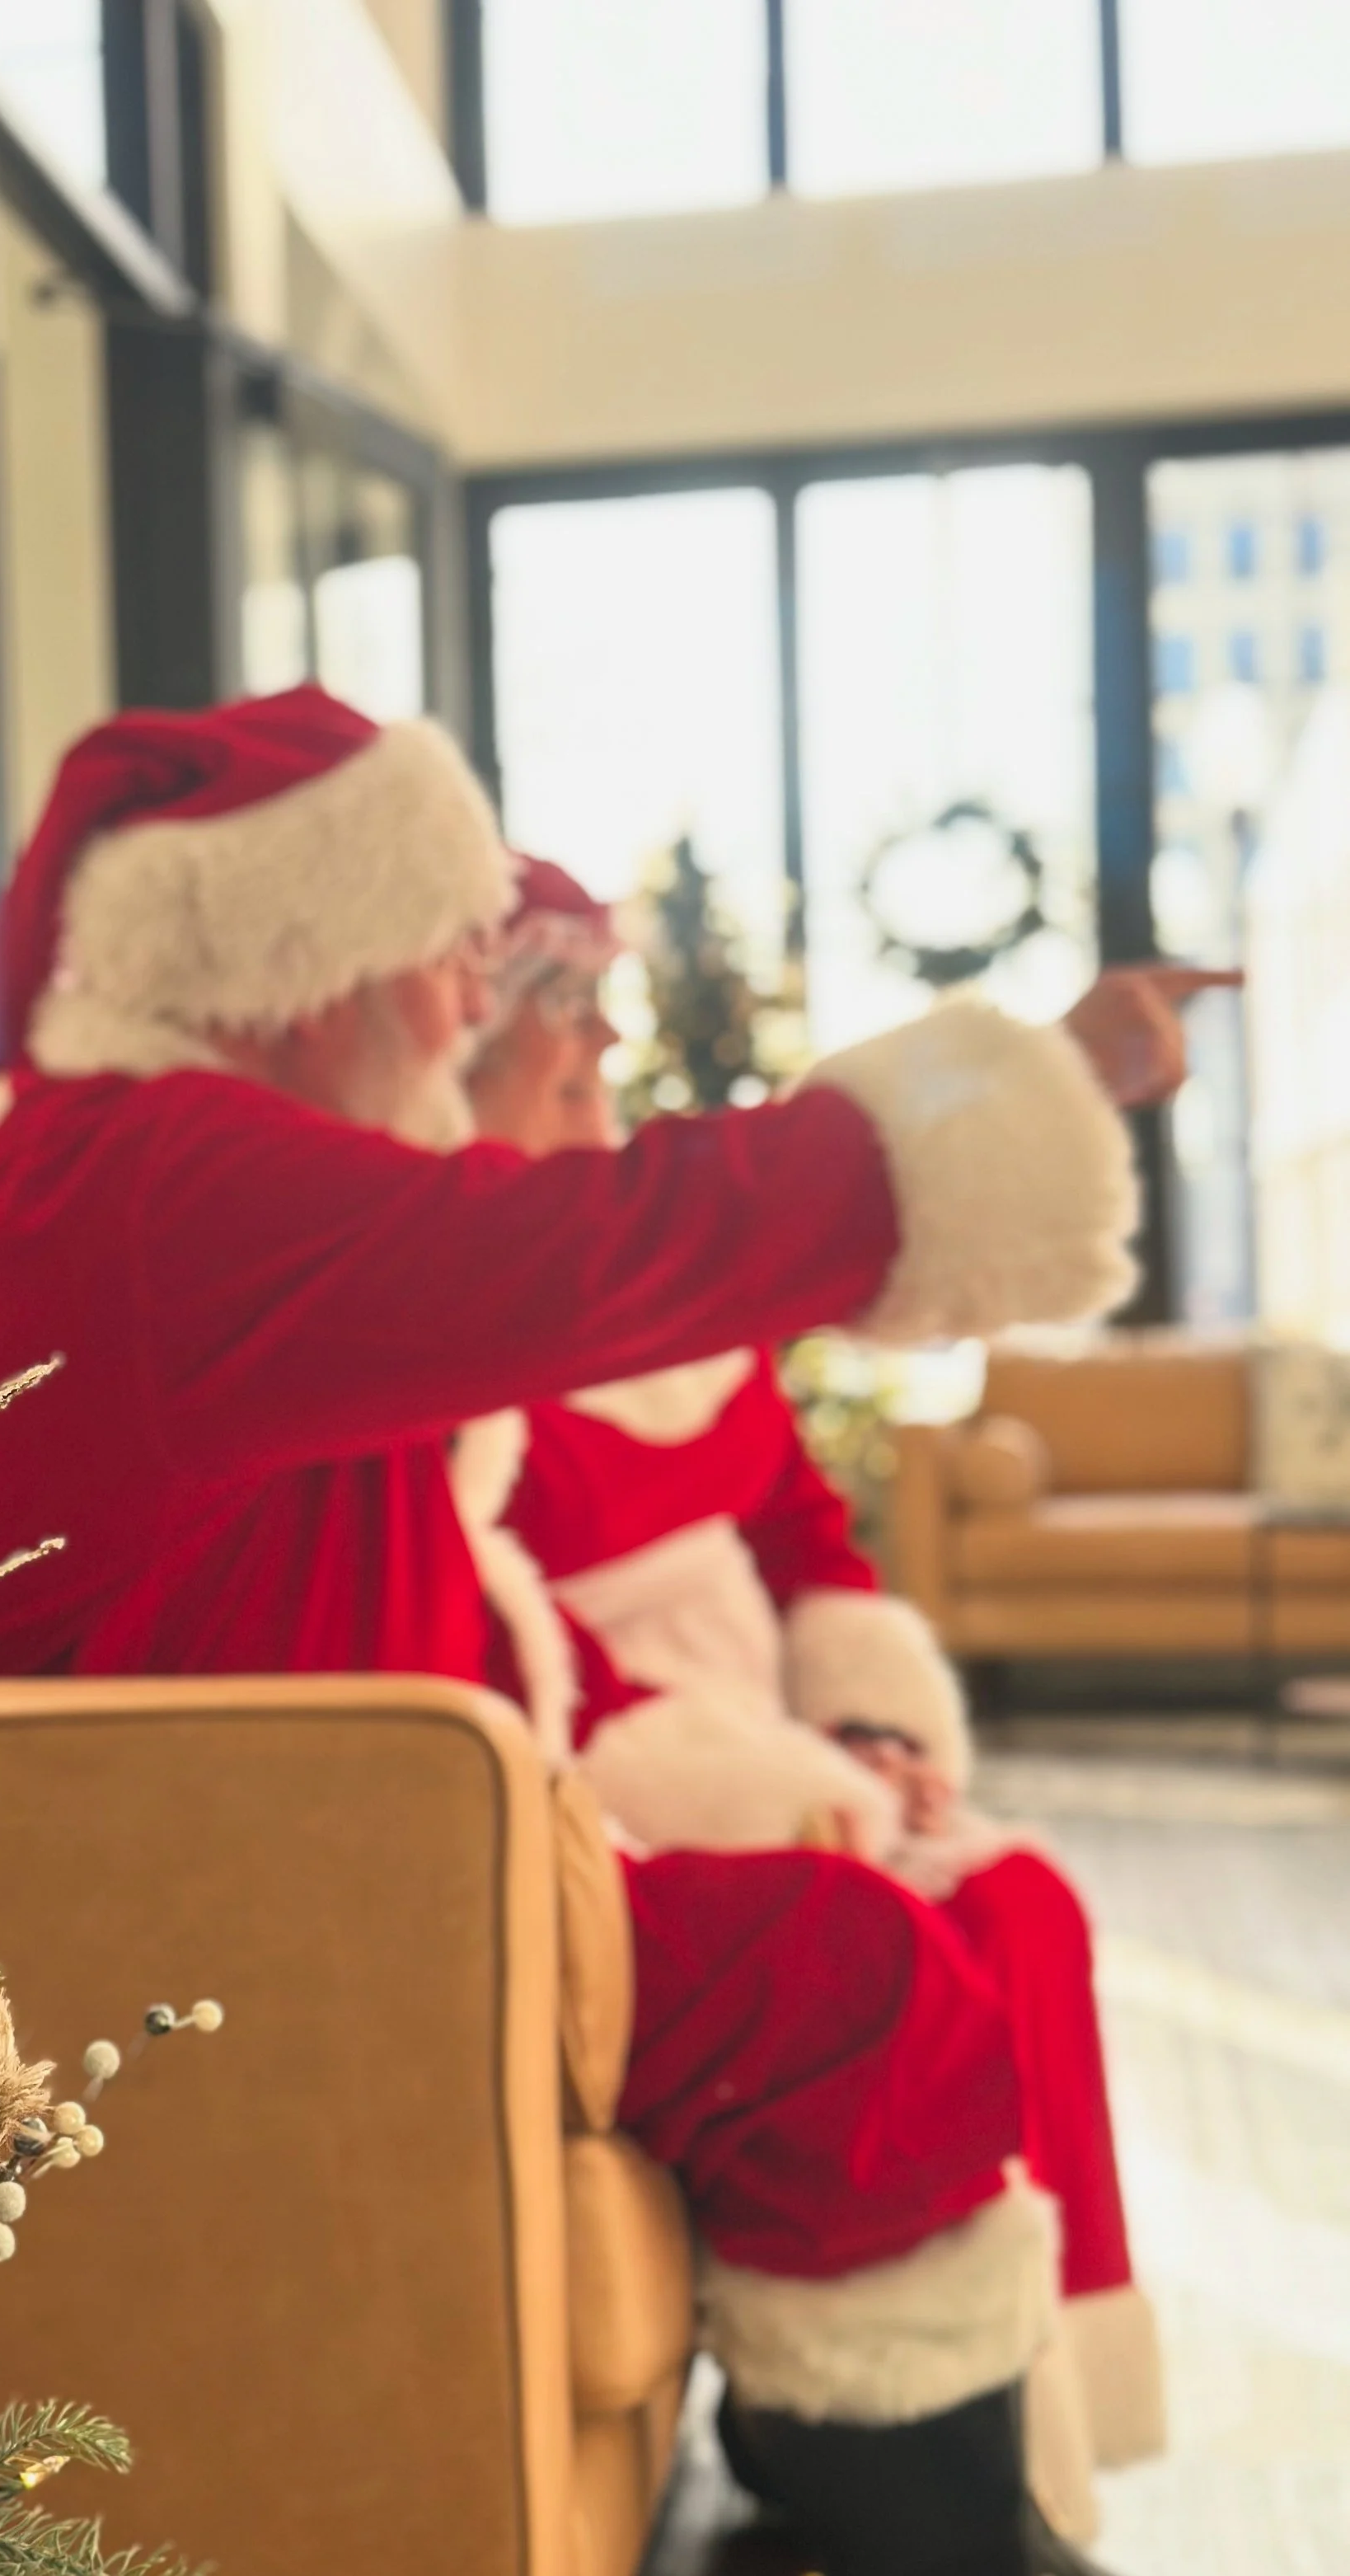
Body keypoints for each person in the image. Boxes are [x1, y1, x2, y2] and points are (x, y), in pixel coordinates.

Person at [0, 685, 1217, 2576]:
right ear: (300, 962)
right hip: (240, 1928)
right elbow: (599, 1249)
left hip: (293, 1882)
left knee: (854, 1964)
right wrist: (1024, 1079)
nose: (451, 1020)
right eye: (436, 967)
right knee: (853, 1983)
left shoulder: (122, 1171)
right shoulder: (164, 1182)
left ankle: (889, 2524)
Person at [462, 856, 1164, 2542]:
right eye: (555, 1035)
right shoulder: (472, 1308)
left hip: (784, 1730)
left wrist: (876, 1733)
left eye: (591, 1038)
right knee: (898, 1939)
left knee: (1020, 1899)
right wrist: (789, 1776)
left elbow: (797, 1534)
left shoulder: (673, 1306)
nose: (591, 1066)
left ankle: (1024, 2417)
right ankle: (877, 2453)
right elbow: (526, 1628)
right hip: (638, 1770)